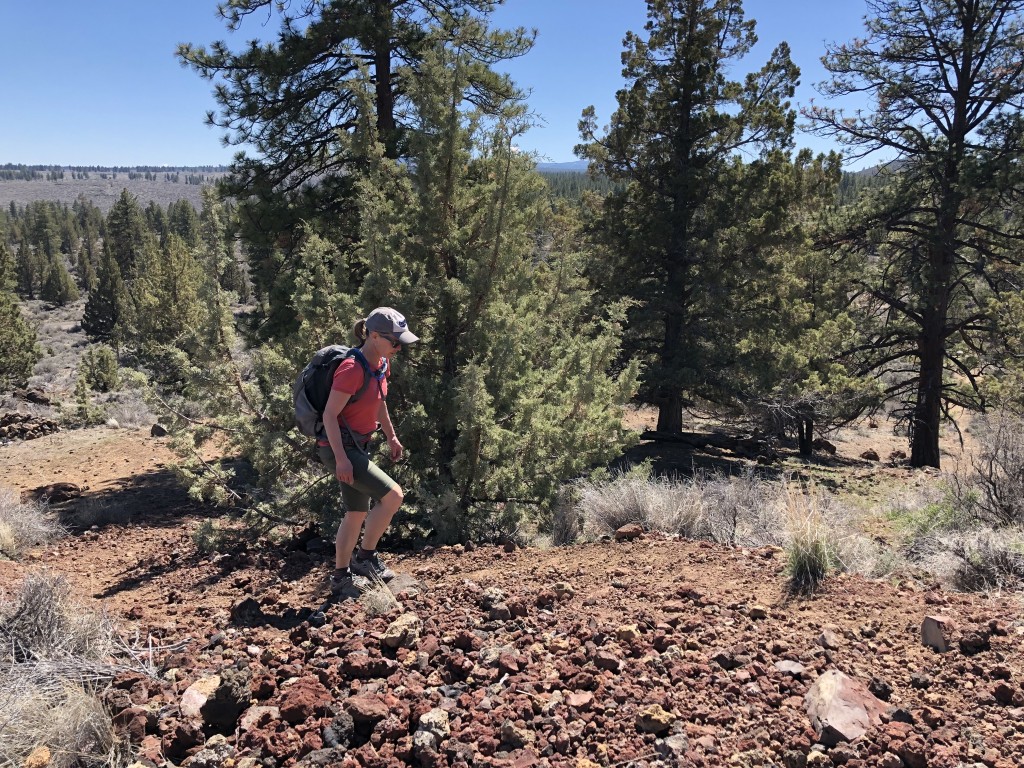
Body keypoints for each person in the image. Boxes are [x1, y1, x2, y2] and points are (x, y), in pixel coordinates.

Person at [317, 307, 418, 596]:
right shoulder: (352, 369)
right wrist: (341, 459)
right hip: (340, 448)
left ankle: (340, 577)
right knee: (393, 496)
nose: (399, 348)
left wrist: (391, 436)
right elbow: (329, 415)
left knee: (356, 513)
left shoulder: (381, 364)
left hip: (358, 446)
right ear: (374, 336)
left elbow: (379, 401)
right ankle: (365, 558)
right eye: (394, 342)